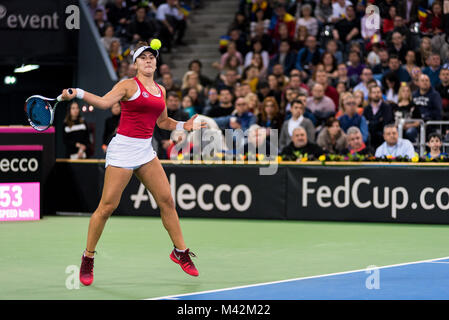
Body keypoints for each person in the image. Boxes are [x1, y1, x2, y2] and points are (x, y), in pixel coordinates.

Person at [60, 41, 202, 285]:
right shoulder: (127, 85)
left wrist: (183, 126)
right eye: (143, 57)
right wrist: (79, 92)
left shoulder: (161, 90)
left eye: (152, 57)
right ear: (135, 64)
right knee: (107, 206)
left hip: (145, 150)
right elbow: (105, 103)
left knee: (167, 200)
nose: (149, 61)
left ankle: (179, 252)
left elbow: (162, 122)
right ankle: (88, 257)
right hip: (123, 150)